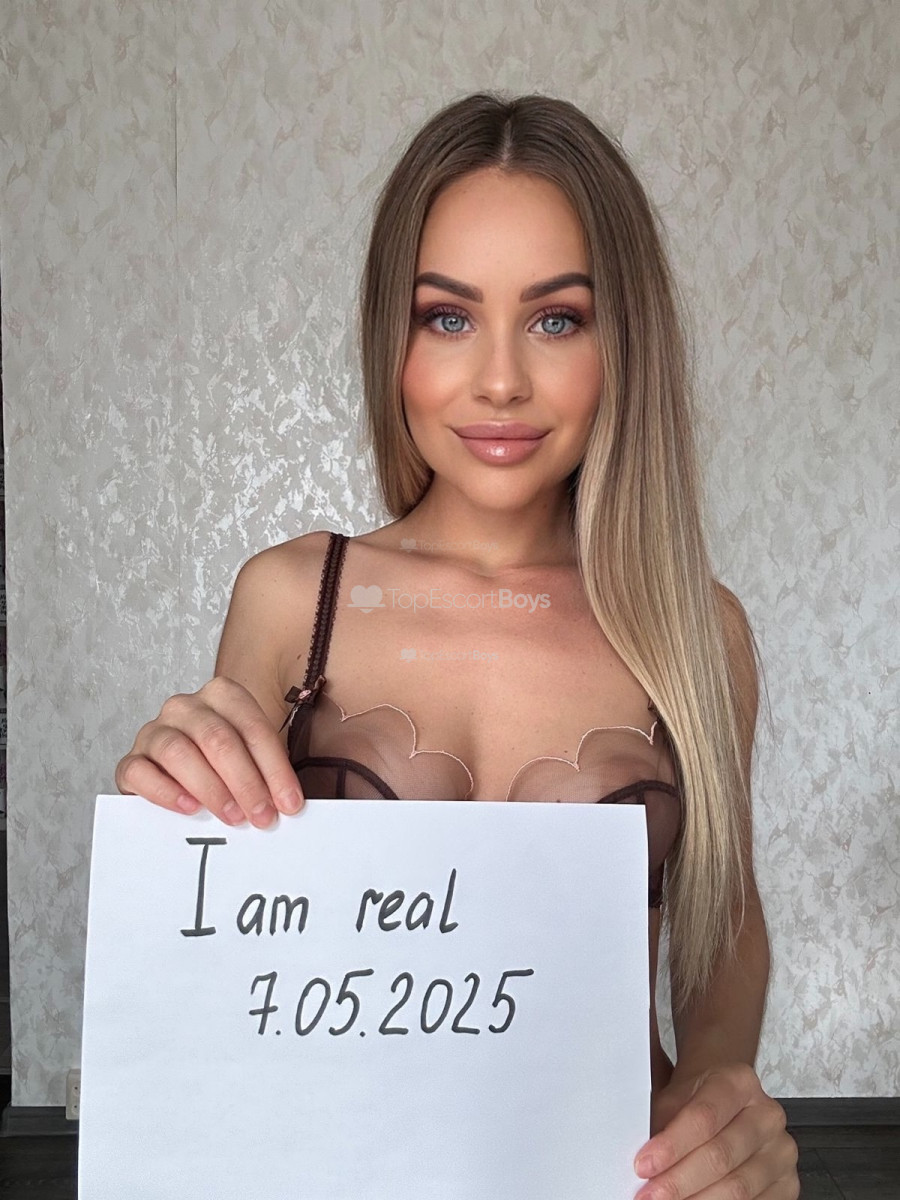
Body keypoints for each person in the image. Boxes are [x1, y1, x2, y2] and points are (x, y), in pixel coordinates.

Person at [115, 92, 800, 1198]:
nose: (500, 378)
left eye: (556, 319)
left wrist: (719, 1087)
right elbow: (217, 915)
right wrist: (175, 783)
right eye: (448, 318)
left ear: (624, 340)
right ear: (392, 337)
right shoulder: (291, 600)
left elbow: (722, 922)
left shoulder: (698, 632)